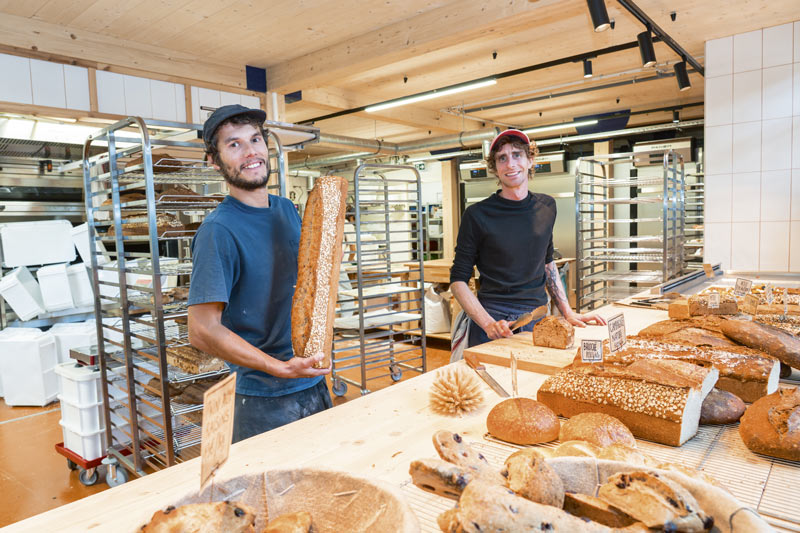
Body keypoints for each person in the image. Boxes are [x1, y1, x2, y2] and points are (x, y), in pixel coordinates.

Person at [187, 104, 331, 442]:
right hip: (261, 399)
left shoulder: (286, 209)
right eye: (234, 144)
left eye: (255, 139)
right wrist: (278, 367)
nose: (250, 152)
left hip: (312, 380)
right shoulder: (218, 231)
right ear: (214, 161)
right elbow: (201, 330)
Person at [450, 129, 606, 349]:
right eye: (502, 158)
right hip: (494, 321)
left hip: (537, 319)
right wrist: (487, 324)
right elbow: (458, 280)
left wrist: (568, 312)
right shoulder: (476, 215)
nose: (510, 164)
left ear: (530, 160)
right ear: (495, 167)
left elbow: (547, 261)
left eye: (517, 155)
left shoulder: (547, 207)